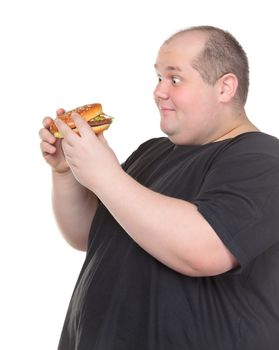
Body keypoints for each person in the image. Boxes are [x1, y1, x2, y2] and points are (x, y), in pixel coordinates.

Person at [39, 25, 279, 350]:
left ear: (225, 88)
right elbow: (86, 234)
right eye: (158, 78)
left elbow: (203, 250)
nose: (159, 92)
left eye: (174, 79)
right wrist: (66, 172)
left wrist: (105, 175)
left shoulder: (264, 159)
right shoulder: (152, 152)